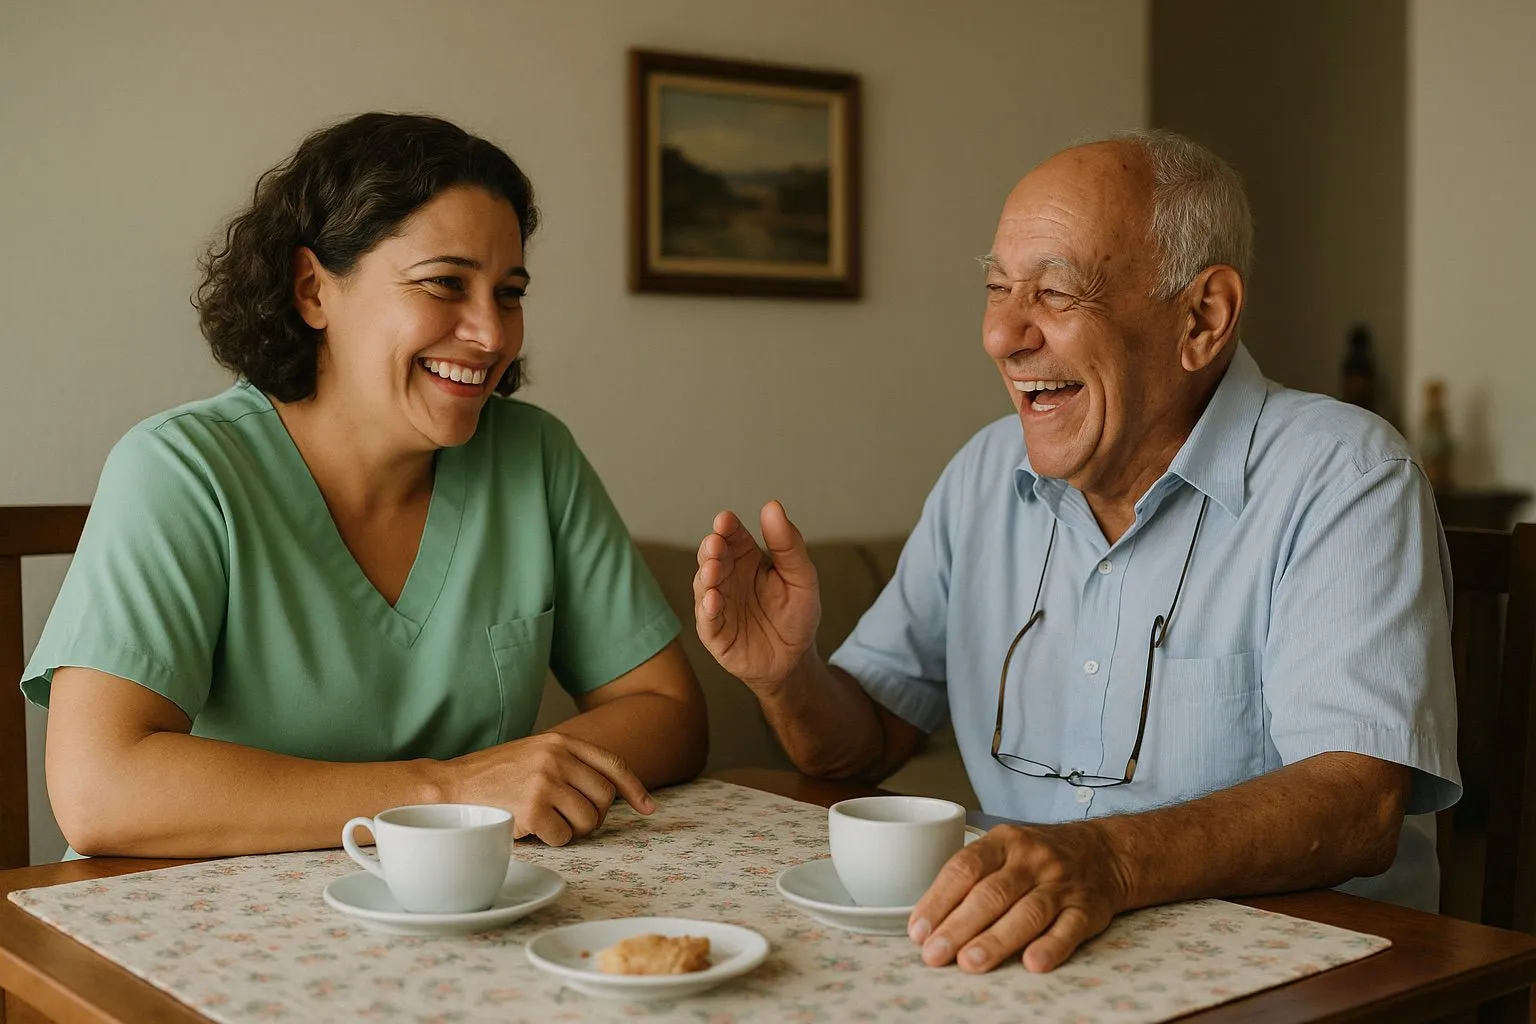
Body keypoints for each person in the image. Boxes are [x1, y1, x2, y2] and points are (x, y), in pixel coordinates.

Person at [694, 129, 1458, 973]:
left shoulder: (1345, 476)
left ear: (1202, 318)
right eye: (995, 289)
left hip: (1306, 975)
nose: (1003, 336)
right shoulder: (985, 472)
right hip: (1044, 957)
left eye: (1055, 293)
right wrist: (786, 676)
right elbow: (864, 742)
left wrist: (1112, 859)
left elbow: (1357, 803)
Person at [26, 112, 707, 857]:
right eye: (444, 283)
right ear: (314, 290)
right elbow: (98, 789)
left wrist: (513, 778)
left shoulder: (535, 455)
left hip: (465, 919)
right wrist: (451, 793)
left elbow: (667, 710)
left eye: (509, 293)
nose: (491, 334)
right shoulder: (181, 470)